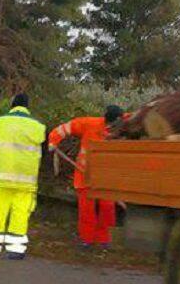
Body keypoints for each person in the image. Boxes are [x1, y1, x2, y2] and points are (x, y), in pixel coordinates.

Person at [0, 93, 46, 260]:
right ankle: (16, 249)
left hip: (0, 177)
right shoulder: (38, 126)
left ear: (12, 105)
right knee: (21, 213)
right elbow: (44, 151)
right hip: (26, 180)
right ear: (27, 107)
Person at [47, 105, 124, 248]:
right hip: (84, 175)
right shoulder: (90, 124)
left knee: (107, 208)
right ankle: (86, 239)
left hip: (106, 178)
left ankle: (103, 239)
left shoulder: (122, 125)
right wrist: (53, 140)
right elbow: (65, 128)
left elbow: (135, 116)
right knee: (86, 209)